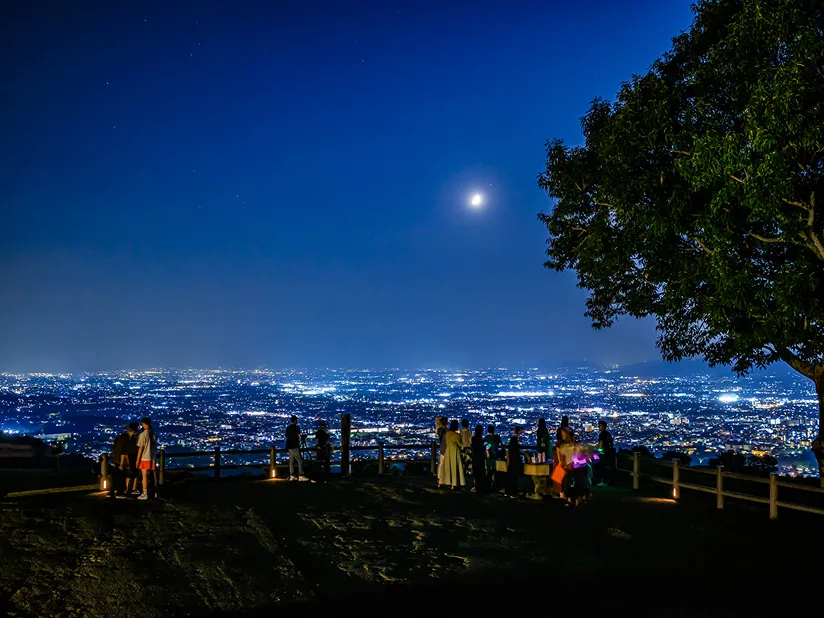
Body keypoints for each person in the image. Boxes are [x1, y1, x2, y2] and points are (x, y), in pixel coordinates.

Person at [109, 422, 139, 499]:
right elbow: (129, 451)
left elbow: (114, 447)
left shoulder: (120, 437)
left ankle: (112, 492)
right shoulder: (130, 439)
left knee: (116, 476)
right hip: (123, 460)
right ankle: (121, 492)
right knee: (125, 476)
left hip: (115, 459)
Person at [438, 420, 465, 489]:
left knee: (447, 467)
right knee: (454, 468)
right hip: (455, 452)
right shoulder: (457, 435)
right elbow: (460, 444)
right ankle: (454, 484)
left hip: (448, 451)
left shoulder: (447, 434)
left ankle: (445, 481)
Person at [135, 417, 157, 500]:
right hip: (152, 456)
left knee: (144, 475)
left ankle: (145, 493)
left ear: (143, 424)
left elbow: (141, 447)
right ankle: (154, 492)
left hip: (145, 457)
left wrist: (137, 460)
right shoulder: (152, 432)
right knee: (152, 475)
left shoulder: (143, 434)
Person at [553, 426, 576, 502]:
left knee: (566, 480)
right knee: (563, 479)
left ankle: (564, 495)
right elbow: (559, 456)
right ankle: (563, 495)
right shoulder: (561, 443)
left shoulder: (566, 443)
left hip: (566, 463)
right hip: (563, 463)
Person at [286, 415, 307, 481]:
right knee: (300, 461)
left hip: (289, 446)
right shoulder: (296, 428)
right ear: (295, 421)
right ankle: (301, 475)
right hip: (295, 446)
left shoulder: (288, 428)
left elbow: (287, 436)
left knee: (291, 461)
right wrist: (303, 437)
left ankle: (292, 475)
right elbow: (298, 435)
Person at [483, 425, 504, 491]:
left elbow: (486, 446)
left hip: (489, 457)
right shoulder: (497, 437)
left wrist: (487, 452)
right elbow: (501, 445)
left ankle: (489, 485)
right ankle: (495, 486)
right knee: (495, 471)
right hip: (496, 456)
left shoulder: (487, 438)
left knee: (489, 471)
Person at [595, 420, 615, 486]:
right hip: (609, 453)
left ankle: (603, 481)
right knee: (607, 467)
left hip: (604, 453)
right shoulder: (608, 434)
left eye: (599, 425)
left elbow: (601, 443)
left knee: (602, 467)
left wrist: (599, 451)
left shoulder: (602, 434)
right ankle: (607, 481)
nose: (598, 427)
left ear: (603, 426)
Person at [506, 426, 524, 496]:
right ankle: (513, 492)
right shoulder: (515, 440)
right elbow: (517, 451)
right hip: (515, 461)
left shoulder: (512, 440)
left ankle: (510, 492)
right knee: (514, 478)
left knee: (511, 478)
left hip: (512, 462)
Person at [470, 425, 488, 493]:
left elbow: (473, 447)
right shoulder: (482, 441)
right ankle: (481, 488)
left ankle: (477, 487)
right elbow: (485, 447)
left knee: (476, 474)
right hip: (481, 458)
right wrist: (487, 445)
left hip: (475, 458)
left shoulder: (473, 439)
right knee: (481, 473)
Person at [436, 416, 448, 485]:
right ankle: (445, 478)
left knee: (441, 464)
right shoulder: (447, 431)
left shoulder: (439, 430)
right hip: (446, 448)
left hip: (441, 448)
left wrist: (439, 420)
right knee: (445, 464)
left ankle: (439, 477)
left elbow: (437, 422)